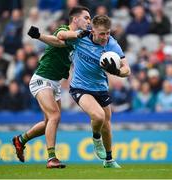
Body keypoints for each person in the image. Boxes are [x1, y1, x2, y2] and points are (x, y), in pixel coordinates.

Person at [12, 6, 91, 169]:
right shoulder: (64, 29)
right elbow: (60, 39)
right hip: (42, 79)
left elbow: (65, 45)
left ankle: (20, 140)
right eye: (86, 18)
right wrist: (40, 36)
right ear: (75, 19)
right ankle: (51, 159)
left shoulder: (78, 40)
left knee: (50, 120)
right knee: (54, 116)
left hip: (54, 83)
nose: (89, 21)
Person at [55, 15, 131, 168]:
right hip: (80, 87)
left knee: (107, 124)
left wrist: (116, 72)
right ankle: (96, 139)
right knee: (98, 116)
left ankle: (109, 160)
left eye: (108, 33)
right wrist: (75, 34)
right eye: (102, 33)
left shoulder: (112, 45)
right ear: (93, 30)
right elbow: (59, 35)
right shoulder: (81, 38)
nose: (105, 37)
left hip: (101, 88)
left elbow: (127, 70)